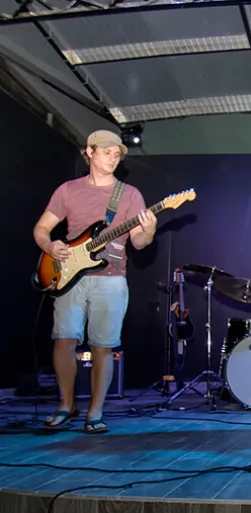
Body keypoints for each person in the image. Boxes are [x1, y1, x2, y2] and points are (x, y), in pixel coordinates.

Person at [33, 129, 157, 434]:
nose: (113, 159)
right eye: (106, 152)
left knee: (103, 346)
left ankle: (95, 412)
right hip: (68, 276)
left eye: (117, 154)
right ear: (89, 152)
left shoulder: (129, 194)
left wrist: (150, 230)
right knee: (64, 339)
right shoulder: (68, 190)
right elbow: (41, 229)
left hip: (111, 279)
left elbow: (139, 243)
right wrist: (50, 246)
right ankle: (66, 405)